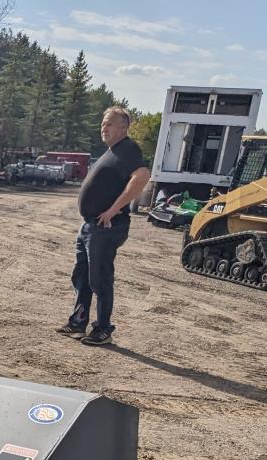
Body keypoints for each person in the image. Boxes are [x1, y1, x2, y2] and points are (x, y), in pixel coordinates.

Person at [56, 106, 151, 346]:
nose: (103, 128)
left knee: (100, 279)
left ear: (123, 126)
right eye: (102, 123)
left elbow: (141, 177)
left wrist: (114, 209)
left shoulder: (128, 149)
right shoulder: (113, 152)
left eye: (109, 123)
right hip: (90, 226)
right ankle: (78, 322)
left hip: (106, 227)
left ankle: (103, 329)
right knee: (82, 276)